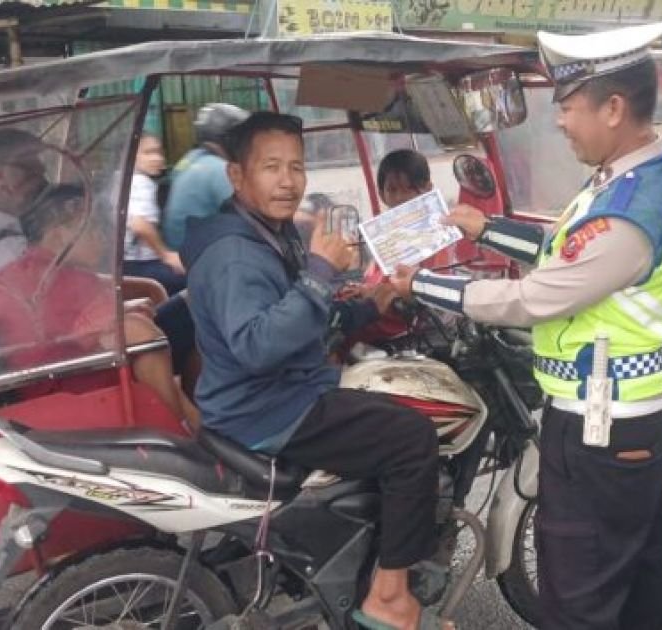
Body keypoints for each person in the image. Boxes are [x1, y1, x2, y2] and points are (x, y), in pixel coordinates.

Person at [391, 20, 662, 630]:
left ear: (612, 108)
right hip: (632, 416)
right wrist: (486, 228)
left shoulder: (628, 214)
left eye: (568, 106)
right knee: (639, 572)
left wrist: (417, 284)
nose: (558, 120)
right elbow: (564, 249)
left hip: (603, 426)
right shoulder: (637, 179)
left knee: (578, 595)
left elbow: (533, 298)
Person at [179, 112, 442, 630]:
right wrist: (321, 272)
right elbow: (259, 345)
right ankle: (389, 598)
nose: (287, 181)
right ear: (237, 176)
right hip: (269, 407)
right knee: (413, 437)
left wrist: (371, 306)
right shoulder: (236, 253)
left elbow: (303, 315)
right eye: (271, 167)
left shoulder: (267, 232)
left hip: (274, 392)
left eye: (296, 167)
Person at [0, 184, 194, 428]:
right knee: (157, 325)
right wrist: (129, 315)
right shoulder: (65, 282)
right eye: (92, 228)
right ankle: (180, 426)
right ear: (60, 235)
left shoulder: (18, 272)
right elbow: (127, 330)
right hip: (71, 384)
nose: (102, 238)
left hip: (37, 379)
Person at [0, 128, 51, 292]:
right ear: (0, 175)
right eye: (29, 168)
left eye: (39, 164)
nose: (42, 172)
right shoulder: (7, 251)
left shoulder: (14, 231)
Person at [162, 103, 250, 252]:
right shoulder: (220, 170)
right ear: (227, 139)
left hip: (181, 250)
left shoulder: (188, 160)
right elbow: (254, 214)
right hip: (205, 258)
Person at [124, 134, 186, 296]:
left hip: (125, 264)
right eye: (148, 153)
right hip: (140, 264)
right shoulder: (142, 183)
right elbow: (139, 224)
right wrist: (166, 255)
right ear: (132, 156)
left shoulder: (123, 180)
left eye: (159, 153)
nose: (157, 158)